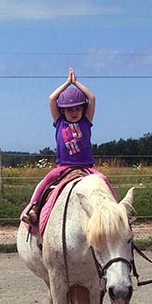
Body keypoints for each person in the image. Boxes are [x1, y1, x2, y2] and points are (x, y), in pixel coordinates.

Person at [21, 67, 100, 227]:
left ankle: (118, 214)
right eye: (69, 110)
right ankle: (32, 209)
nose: (74, 112)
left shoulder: (85, 122)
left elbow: (91, 98)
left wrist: (76, 83)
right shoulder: (59, 123)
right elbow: (51, 99)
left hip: (86, 167)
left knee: (103, 182)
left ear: (83, 110)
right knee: (44, 183)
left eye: (77, 108)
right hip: (64, 167)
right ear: (62, 111)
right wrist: (67, 83)